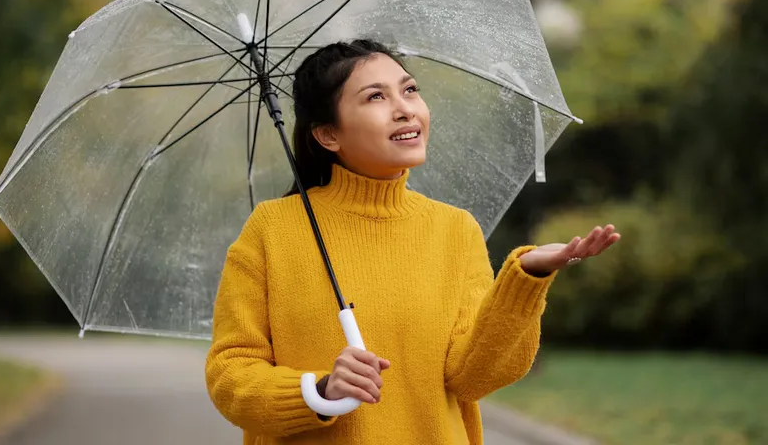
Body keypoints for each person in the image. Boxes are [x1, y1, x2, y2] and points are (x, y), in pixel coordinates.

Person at [205, 39, 620, 444]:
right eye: (375, 97)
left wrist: (526, 277)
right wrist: (320, 390)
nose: (405, 109)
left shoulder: (455, 229)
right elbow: (230, 375)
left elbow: (473, 376)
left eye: (409, 90)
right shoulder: (272, 230)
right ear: (328, 135)